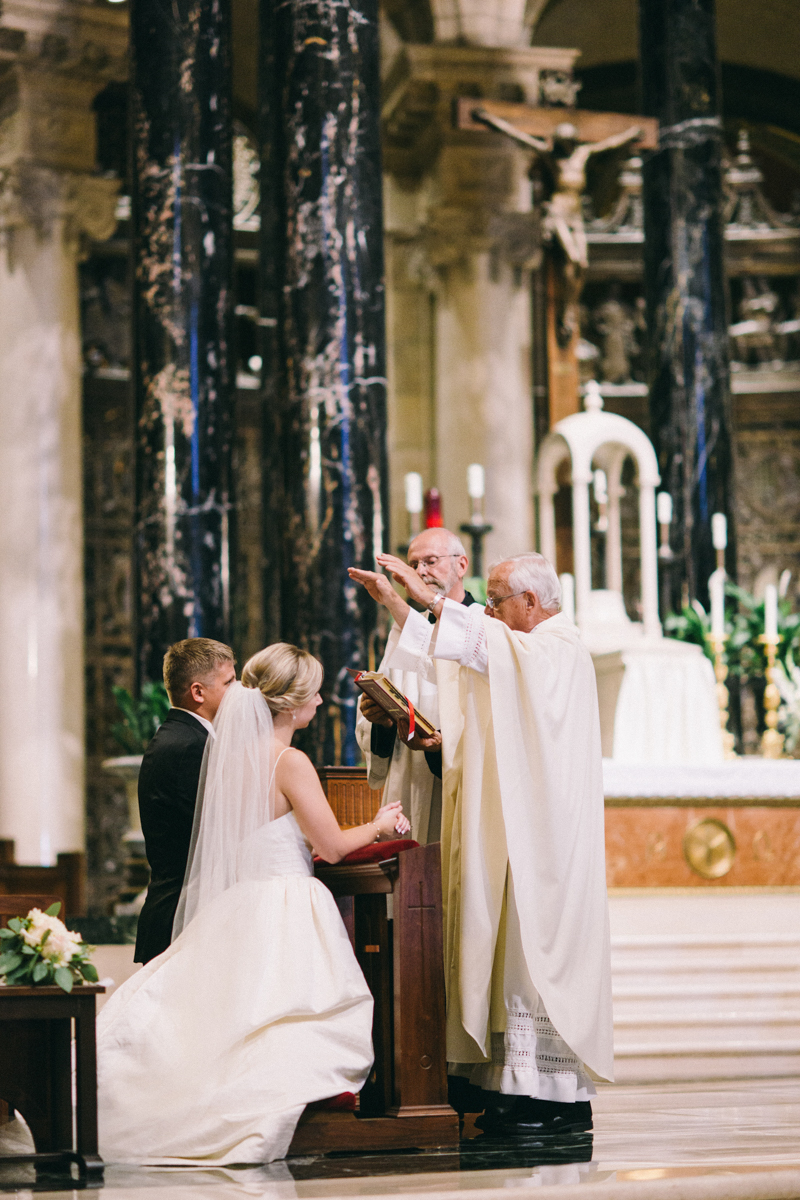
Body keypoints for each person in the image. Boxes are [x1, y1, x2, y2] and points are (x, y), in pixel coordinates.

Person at [99, 643, 409, 1165]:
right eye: (313, 692)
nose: (320, 701)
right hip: (286, 901)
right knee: (288, 1012)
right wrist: (379, 826)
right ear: (293, 705)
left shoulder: (230, 759)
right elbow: (329, 846)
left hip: (240, 903)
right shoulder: (290, 761)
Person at [349, 552, 614, 1139]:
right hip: (520, 827)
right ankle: (513, 1085)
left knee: (532, 955)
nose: (488, 611)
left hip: (547, 841)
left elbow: (483, 647)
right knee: (508, 954)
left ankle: (557, 1096)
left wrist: (428, 598)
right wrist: (400, 604)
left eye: (496, 600)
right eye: (486, 601)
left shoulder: (557, 646)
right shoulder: (522, 648)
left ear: (530, 601)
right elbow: (458, 659)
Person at [355, 528, 478, 843]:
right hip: (409, 787)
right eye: (413, 564)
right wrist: (379, 718)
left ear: (461, 565)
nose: (421, 571)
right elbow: (388, 694)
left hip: (464, 790)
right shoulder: (405, 629)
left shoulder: (482, 626)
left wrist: (442, 746)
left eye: (431, 561)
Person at [134, 638, 236, 965]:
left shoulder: (182, 737)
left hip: (181, 913)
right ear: (198, 692)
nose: (238, 691)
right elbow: (218, 834)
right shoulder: (190, 747)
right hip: (183, 920)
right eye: (229, 682)